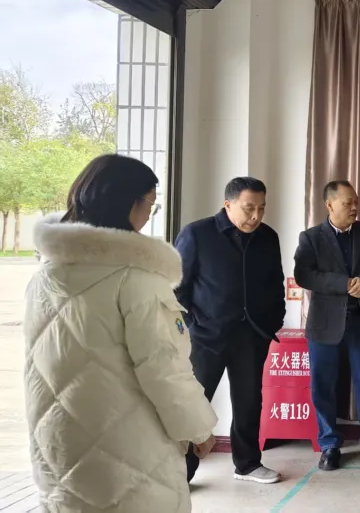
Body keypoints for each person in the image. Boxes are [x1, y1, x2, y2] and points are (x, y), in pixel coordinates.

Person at [24, 154, 217, 512]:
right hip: (128, 455)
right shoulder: (137, 279)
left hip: (59, 446)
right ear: (129, 203)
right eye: (150, 204)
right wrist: (198, 429)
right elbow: (164, 369)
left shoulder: (44, 276)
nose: (149, 214)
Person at [175, 177, 286, 484]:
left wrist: (273, 321)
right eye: (249, 208)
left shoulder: (268, 237)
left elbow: (275, 283)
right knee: (193, 404)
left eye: (261, 208)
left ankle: (248, 464)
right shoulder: (197, 234)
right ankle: (179, 472)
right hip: (206, 337)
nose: (256, 216)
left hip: (252, 335)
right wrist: (193, 325)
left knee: (249, 401)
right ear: (228, 205)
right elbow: (176, 286)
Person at [294, 180, 360, 471]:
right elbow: (303, 275)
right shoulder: (311, 237)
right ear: (329, 205)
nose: (354, 208)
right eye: (347, 203)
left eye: (355, 202)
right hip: (324, 325)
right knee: (323, 386)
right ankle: (329, 445)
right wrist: (343, 284)